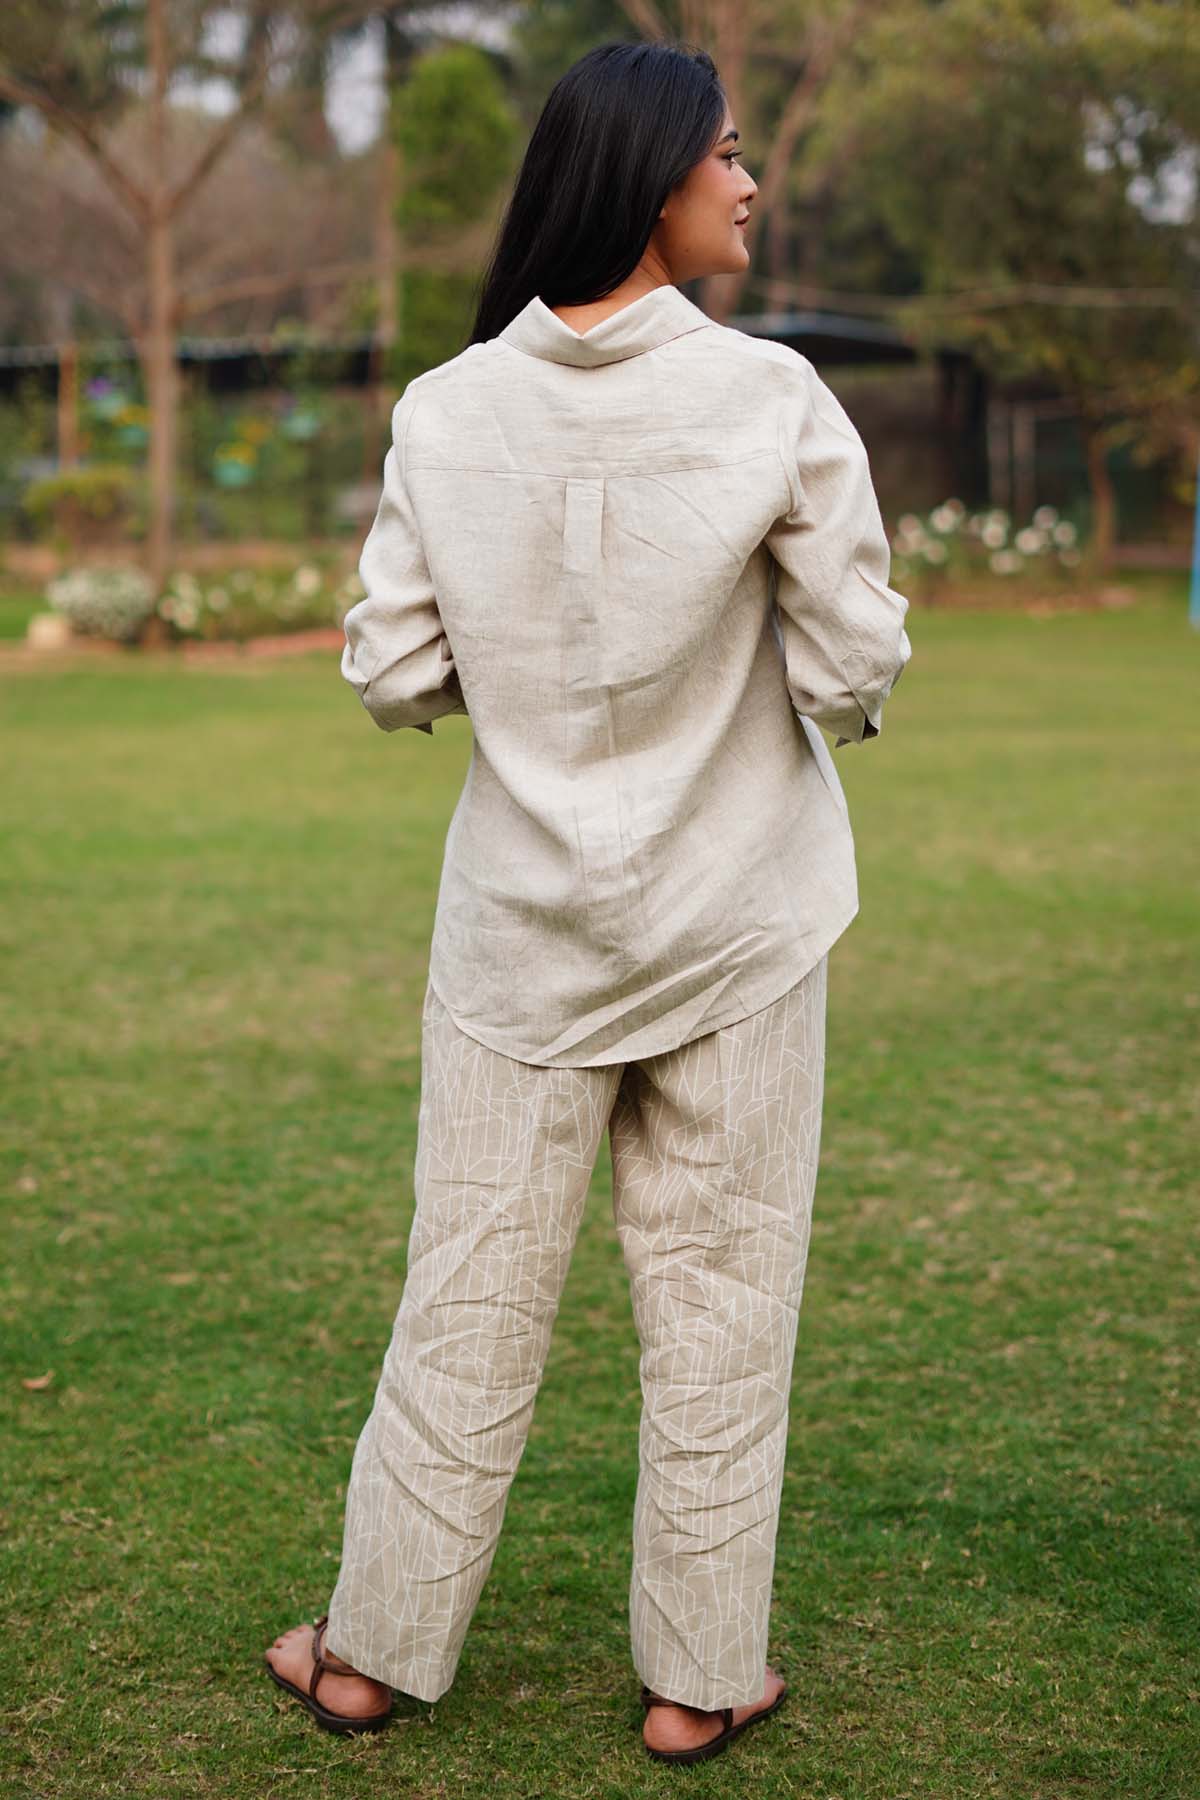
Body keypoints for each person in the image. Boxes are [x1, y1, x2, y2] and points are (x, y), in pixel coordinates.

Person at [264, 37, 912, 1767]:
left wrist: (545, 692)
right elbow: (855, 661)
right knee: (724, 1302)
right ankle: (700, 1678)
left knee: (463, 1293)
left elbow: (394, 673)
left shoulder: (446, 407)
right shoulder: (771, 400)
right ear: (653, 184)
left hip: (520, 939)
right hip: (744, 923)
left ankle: (368, 1654)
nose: (750, 180)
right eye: (727, 154)